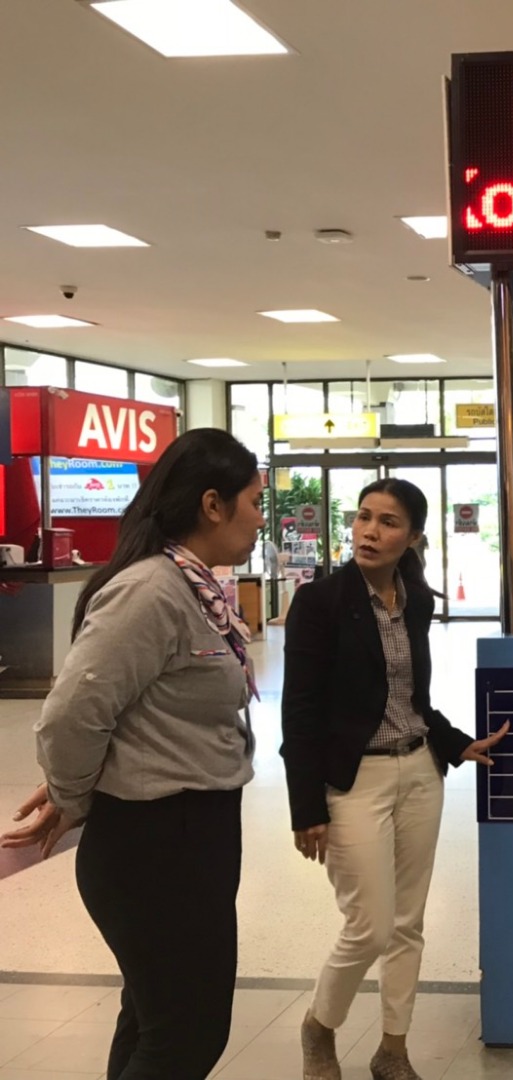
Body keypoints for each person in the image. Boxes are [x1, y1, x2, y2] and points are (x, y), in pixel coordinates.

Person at [1, 428, 264, 1080]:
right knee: (187, 1035)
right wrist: (71, 796)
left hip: (191, 836)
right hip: (155, 846)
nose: (262, 518)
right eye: (254, 502)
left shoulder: (194, 586)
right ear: (212, 504)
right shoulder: (152, 590)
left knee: (155, 1021)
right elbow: (70, 715)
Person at [281, 478, 509, 1080]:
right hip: (353, 781)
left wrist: (457, 744)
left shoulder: (417, 600)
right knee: (371, 923)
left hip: (418, 772)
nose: (369, 531)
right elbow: (299, 709)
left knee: (408, 923)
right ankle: (320, 1027)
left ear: (412, 537)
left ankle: (393, 1049)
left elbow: (413, 699)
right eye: (363, 518)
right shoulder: (321, 602)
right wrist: (306, 805)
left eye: (387, 522)